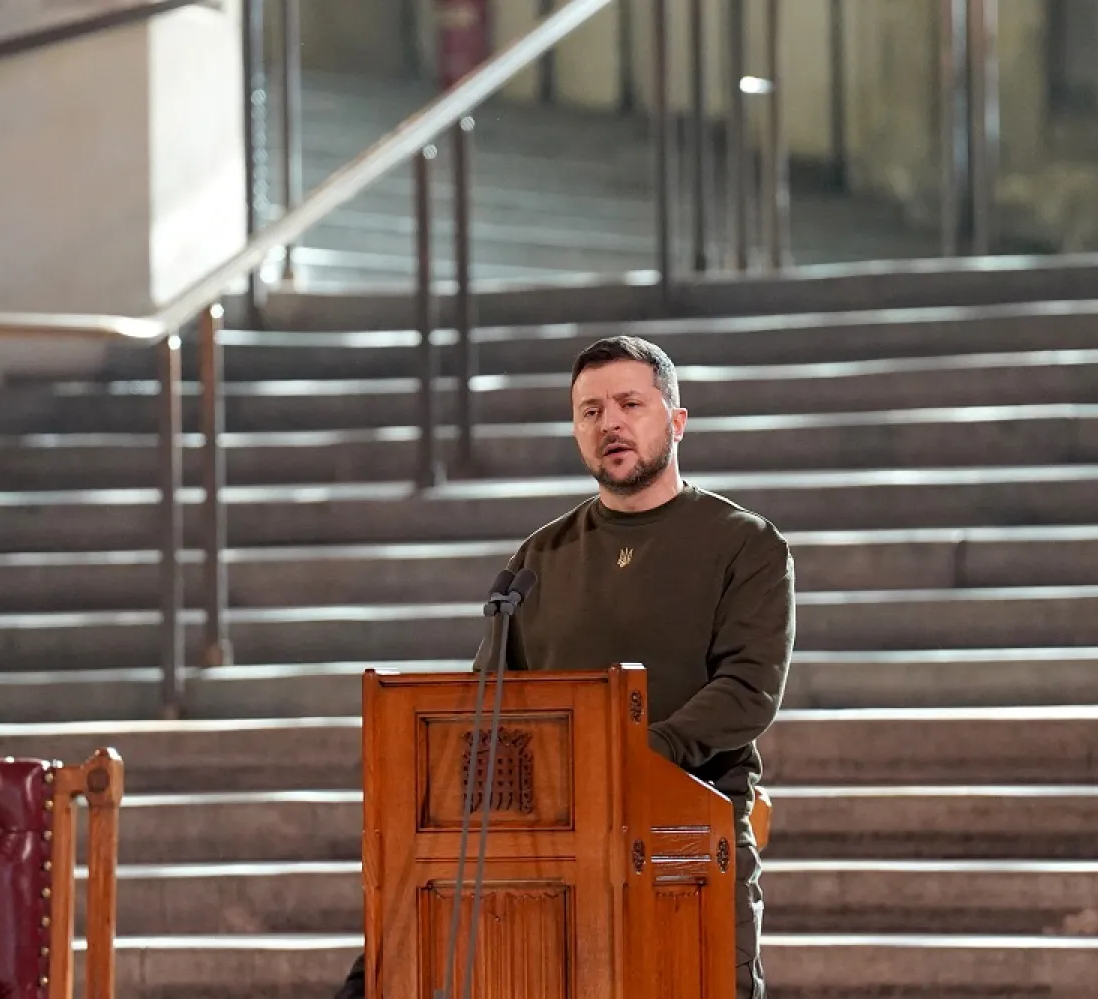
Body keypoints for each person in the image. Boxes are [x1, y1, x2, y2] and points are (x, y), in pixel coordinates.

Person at [336, 334, 796, 999]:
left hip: (683, 828)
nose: (609, 422)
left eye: (630, 403)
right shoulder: (538, 558)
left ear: (676, 420)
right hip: (546, 838)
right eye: (589, 410)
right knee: (393, 951)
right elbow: (488, 705)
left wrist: (626, 758)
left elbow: (746, 692)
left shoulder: (745, 543)